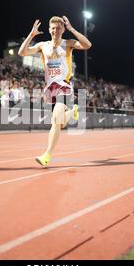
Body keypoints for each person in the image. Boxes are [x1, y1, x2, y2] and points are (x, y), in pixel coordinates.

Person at [18, 16, 92, 166]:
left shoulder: (68, 44)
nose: (55, 31)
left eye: (58, 28)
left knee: (56, 120)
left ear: (63, 30)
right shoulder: (42, 45)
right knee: (59, 123)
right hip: (50, 89)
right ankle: (73, 112)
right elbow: (22, 52)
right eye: (53, 28)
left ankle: (47, 155)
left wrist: (72, 29)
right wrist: (31, 35)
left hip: (64, 86)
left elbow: (87, 44)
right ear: (49, 29)